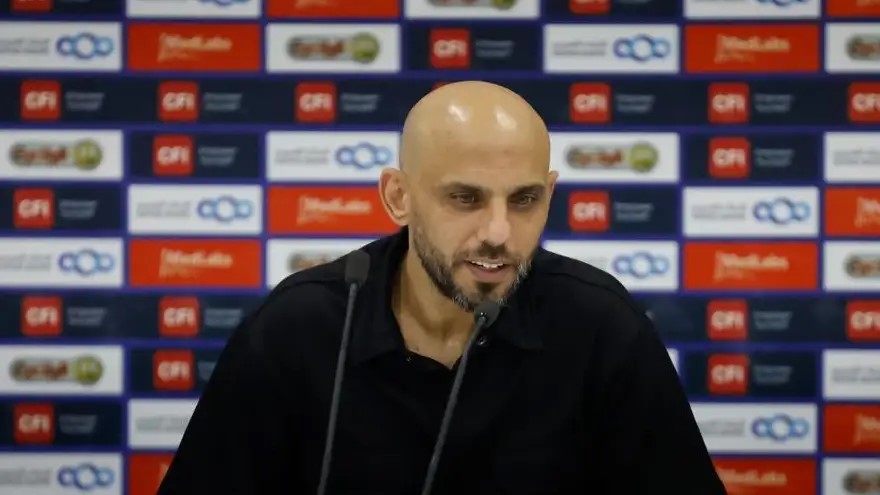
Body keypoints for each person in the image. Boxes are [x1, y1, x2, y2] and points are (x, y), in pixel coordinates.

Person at [157, 81, 728, 495]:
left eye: (525, 200)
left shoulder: (601, 327)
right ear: (398, 197)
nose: (499, 233)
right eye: (465, 198)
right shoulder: (298, 328)